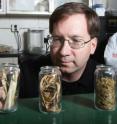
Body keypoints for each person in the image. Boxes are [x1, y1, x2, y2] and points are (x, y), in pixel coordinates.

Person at [19, 2, 100, 98]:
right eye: (57, 39)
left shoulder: (106, 79)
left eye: (76, 40)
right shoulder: (26, 73)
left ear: (93, 46)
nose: (63, 52)